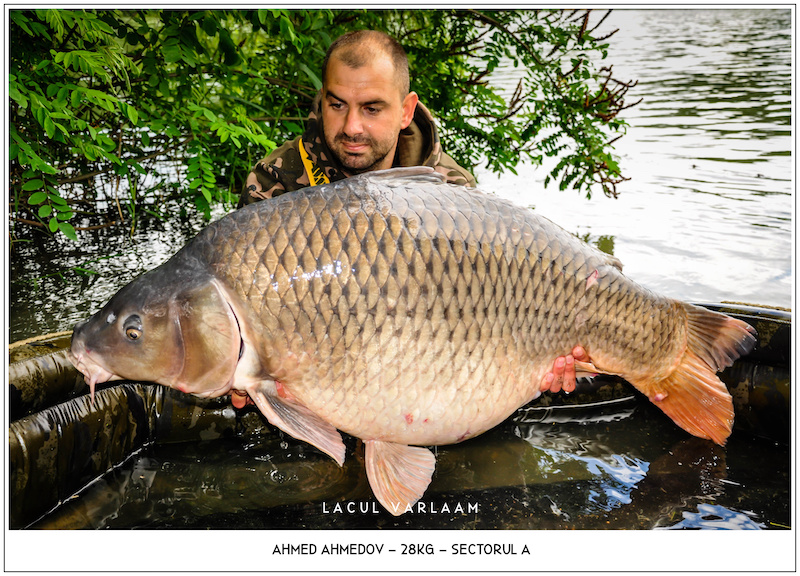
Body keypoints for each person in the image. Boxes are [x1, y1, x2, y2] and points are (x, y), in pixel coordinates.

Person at [232, 30, 586, 408]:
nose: (352, 126)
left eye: (372, 108)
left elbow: (482, 314)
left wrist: (537, 359)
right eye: (337, 105)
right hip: (319, 371)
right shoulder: (278, 182)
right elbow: (244, 309)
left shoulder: (452, 190)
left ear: (405, 110)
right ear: (322, 101)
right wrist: (244, 371)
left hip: (415, 369)